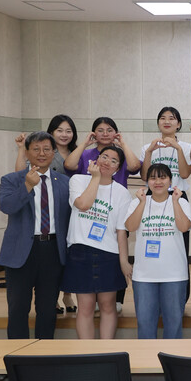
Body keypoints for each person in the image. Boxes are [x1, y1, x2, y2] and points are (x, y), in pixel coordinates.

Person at [0, 131, 72, 339]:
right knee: (18, 309)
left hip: (52, 251)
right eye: (36, 149)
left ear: (54, 152)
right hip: (21, 252)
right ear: (27, 152)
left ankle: (44, 354)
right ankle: (17, 355)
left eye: (47, 149)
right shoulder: (12, 180)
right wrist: (28, 185)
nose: (41, 153)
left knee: (47, 310)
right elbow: (7, 206)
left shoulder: (64, 182)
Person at [61, 145, 132, 339]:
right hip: (80, 251)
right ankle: (88, 352)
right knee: (85, 307)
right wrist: (95, 178)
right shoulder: (78, 180)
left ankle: (106, 350)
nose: (107, 162)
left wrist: (124, 261)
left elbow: (121, 231)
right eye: (104, 157)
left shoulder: (122, 193)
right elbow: (83, 204)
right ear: (96, 159)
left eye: (114, 160)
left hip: (109, 254)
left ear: (118, 168)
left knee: (108, 306)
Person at [123, 163, 191, 339]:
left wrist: (175, 202)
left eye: (162, 177)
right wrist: (142, 202)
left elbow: (184, 227)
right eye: (153, 178)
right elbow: (130, 226)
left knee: (174, 325)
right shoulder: (137, 202)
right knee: (145, 325)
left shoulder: (181, 202)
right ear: (147, 181)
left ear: (170, 180)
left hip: (174, 275)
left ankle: (172, 358)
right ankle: (148, 358)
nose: (158, 182)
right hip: (144, 276)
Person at [140, 106, 191, 300]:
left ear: (178, 124)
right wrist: (149, 152)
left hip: (177, 197)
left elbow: (185, 174)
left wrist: (177, 148)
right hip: (153, 197)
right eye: (162, 118)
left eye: (172, 118)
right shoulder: (148, 147)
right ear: (158, 123)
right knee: (153, 243)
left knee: (179, 248)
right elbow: (144, 176)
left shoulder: (186, 147)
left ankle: (181, 297)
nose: (167, 121)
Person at [64, 116, 142, 186]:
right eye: (100, 130)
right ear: (93, 134)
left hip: (116, 196)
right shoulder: (84, 154)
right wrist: (84, 143)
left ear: (116, 133)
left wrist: (123, 144)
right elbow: (69, 165)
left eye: (109, 130)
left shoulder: (123, 155)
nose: (105, 134)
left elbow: (135, 166)